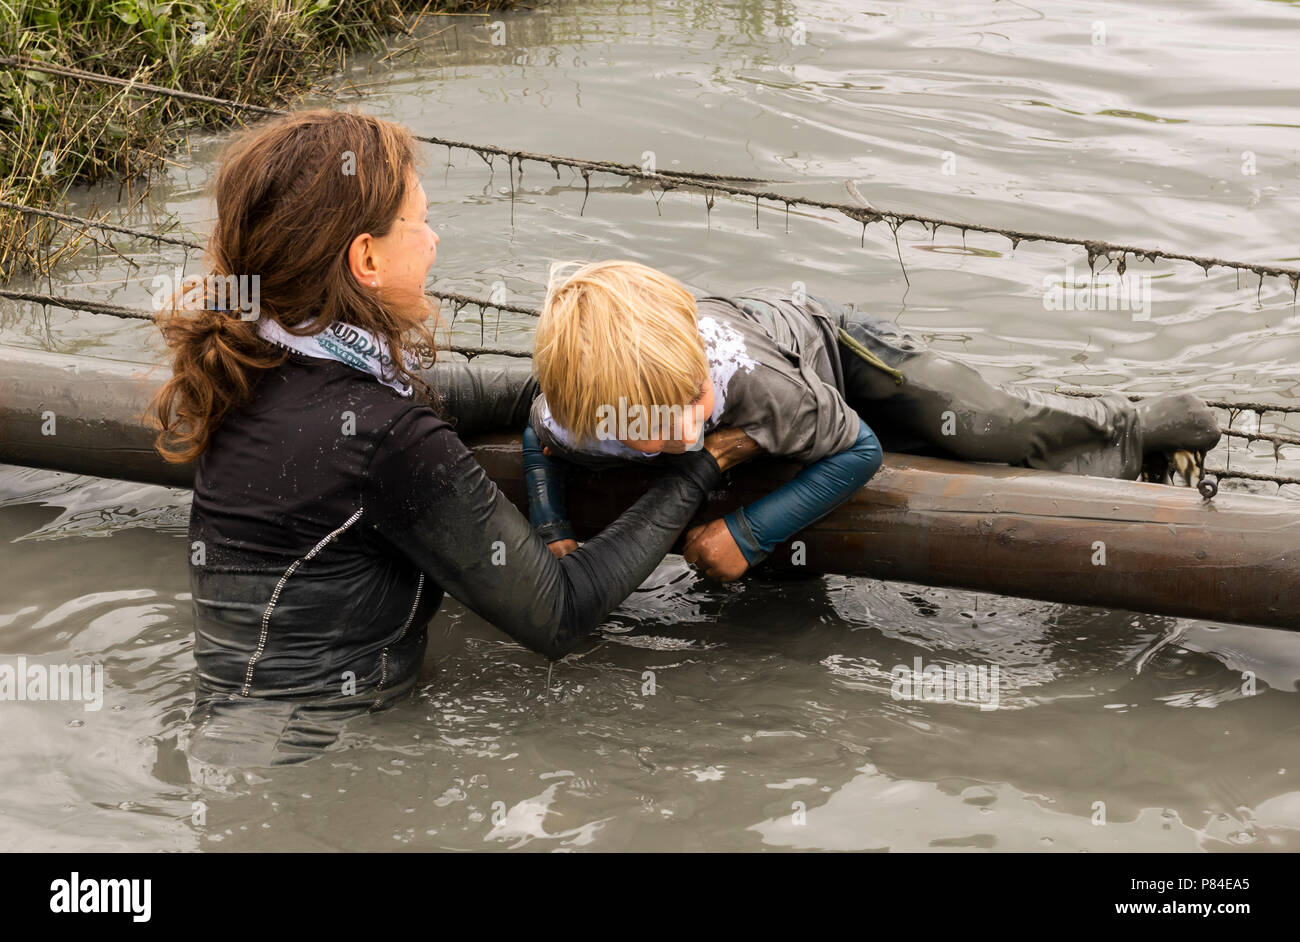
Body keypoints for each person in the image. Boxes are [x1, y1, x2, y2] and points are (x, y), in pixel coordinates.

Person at [148, 111, 758, 767]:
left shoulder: (252, 360)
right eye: (420, 221)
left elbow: (455, 395)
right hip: (323, 764)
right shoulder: (387, 438)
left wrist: (609, 388)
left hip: (235, 742)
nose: (434, 241)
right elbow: (560, 611)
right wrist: (702, 467)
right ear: (367, 258)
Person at [523, 260, 1223, 581]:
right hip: (795, 413)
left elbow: (858, 450)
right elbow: (538, 441)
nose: (681, 429)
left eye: (692, 403)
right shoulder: (574, 418)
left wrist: (748, 530)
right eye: (653, 425)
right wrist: (552, 531)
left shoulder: (755, 386)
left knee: (984, 427)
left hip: (835, 351)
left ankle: (1145, 423)